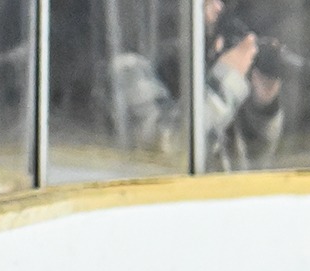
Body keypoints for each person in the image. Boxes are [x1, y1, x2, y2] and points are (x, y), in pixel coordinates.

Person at [107, 0, 283, 170]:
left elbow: (247, 161)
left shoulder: (199, 66)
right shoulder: (127, 67)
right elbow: (166, 151)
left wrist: (263, 107)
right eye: (205, 1)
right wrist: (226, 81)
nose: (218, 7)